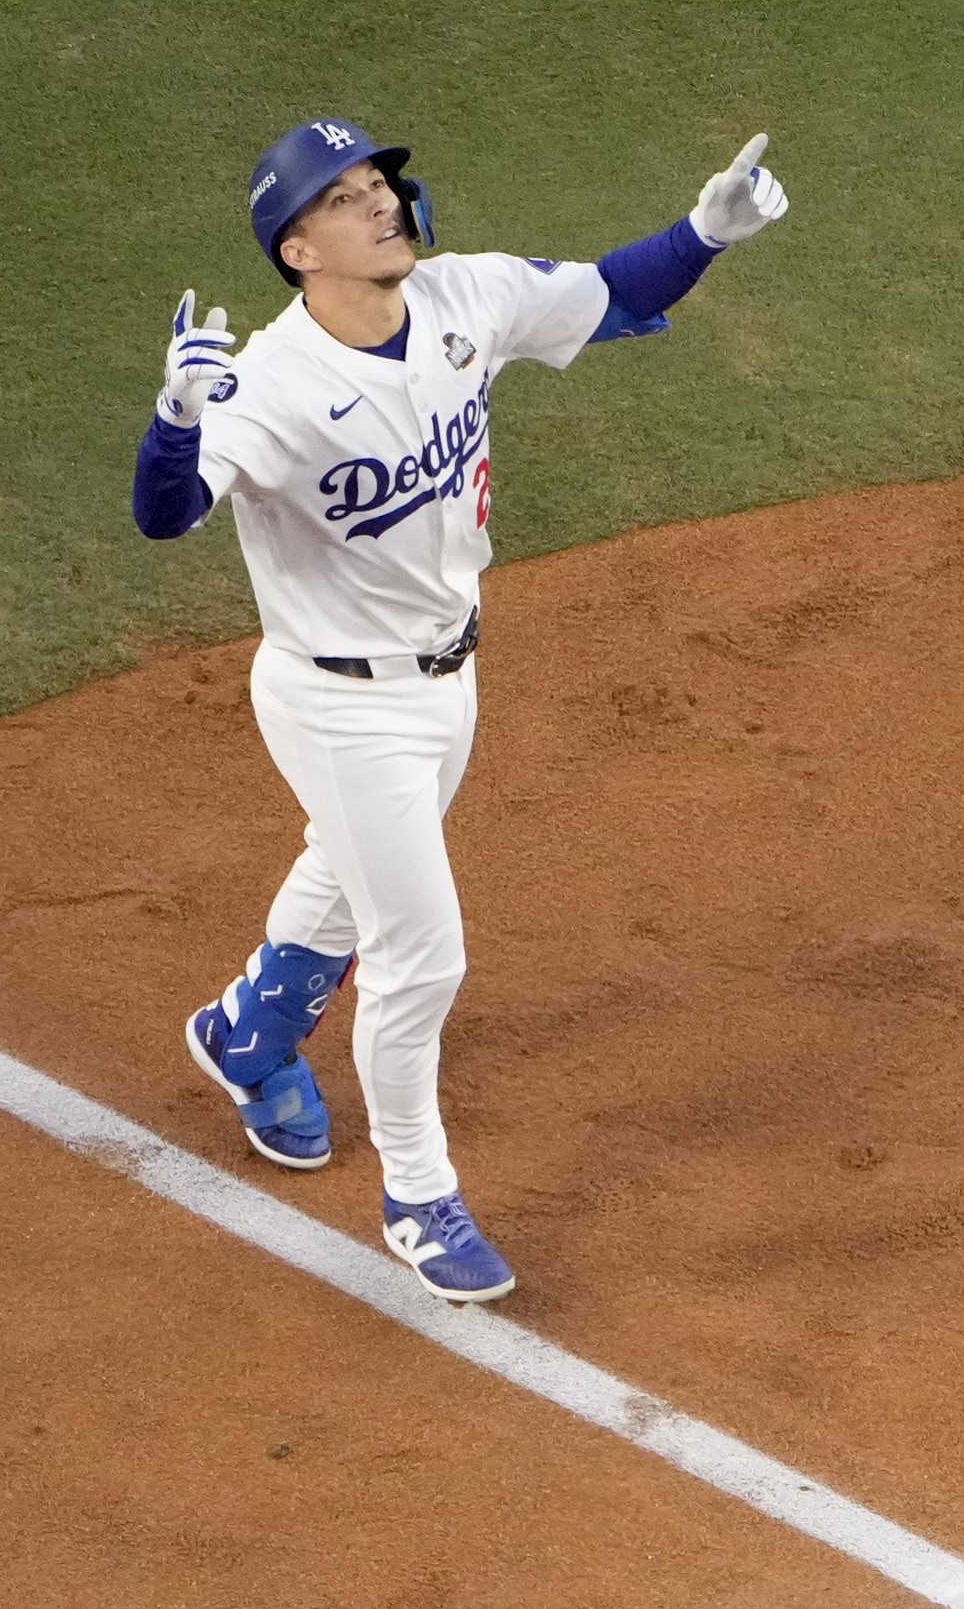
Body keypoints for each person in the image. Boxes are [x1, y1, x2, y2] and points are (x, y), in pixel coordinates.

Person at [131, 115, 788, 1302]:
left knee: (351, 869)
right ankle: (418, 1195)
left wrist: (704, 234)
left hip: (448, 678)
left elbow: (602, 291)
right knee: (419, 954)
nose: (379, 198)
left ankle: (247, 1032)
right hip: (336, 702)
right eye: (341, 196)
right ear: (296, 250)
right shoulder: (267, 387)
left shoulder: (461, 299)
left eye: (378, 178)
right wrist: (176, 418)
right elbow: (165, 516)